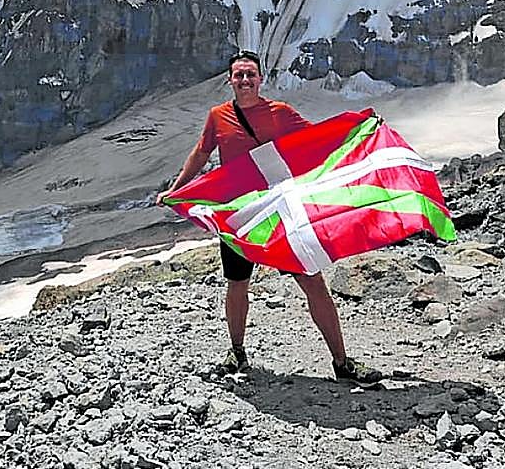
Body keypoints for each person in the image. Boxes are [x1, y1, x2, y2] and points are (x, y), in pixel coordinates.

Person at [156, 50, 382, 383]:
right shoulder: (218, 116)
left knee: (312, 282)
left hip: (278, 213)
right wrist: (176, 189)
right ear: (230, 80)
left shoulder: (280, 113)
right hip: (238, 214)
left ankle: (341, 362)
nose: (245, 80)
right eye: (239, 75)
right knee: (237, 284)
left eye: (250, 75)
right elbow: (201, 153)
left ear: (260, 79)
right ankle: (237, 352)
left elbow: (318, 140)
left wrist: (358, 127)